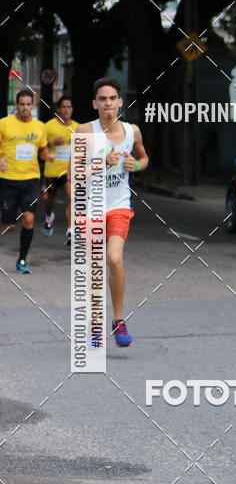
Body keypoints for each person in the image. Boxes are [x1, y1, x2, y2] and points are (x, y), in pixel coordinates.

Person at [74, 78, 149, 347]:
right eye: (102, 99)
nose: (108, 103)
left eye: (112, 98)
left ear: (120, 102)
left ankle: (118, 320)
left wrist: (135, 165)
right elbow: (74, 172)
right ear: (95, 103)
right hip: (90, 208)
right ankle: (95, 323)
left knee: (114, 259)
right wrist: (101, 163)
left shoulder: (132, 132)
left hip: (119, 206)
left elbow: (143, 158)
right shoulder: (84, 131)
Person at [0, 90, 49, 273]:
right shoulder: (4, 124)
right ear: (16, 105)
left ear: (33, 105)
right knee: (9, 225)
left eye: (28, 104)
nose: (25, 107)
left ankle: (21, 259)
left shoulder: (40, 127)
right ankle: (8, 219)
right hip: (7, 180)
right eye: (22, 104)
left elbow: (42, 150)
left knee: (28, 219)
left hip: (31, 179)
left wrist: (48, 155)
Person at [42, 96, 79, 245]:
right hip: (53, 170)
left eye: (69, 107)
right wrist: (52, 143)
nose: (66, 110)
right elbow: (40, 146)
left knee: (72, 197)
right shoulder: (48, 126)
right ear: (58, 110)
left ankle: (70, 231)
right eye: (63, 107)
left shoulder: (79, 127)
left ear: (72, 109)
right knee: (51, 199)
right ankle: (49, 216)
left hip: (70, 171)